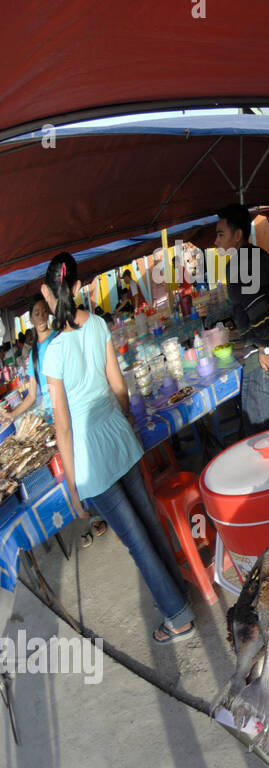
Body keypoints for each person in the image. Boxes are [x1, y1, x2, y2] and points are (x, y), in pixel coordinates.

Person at [40, 253, 193, 644]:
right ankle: (179, 595)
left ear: (47, 292)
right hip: (119, 439)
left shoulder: (53, 351)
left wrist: (72, 489)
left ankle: (177, 617)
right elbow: (119, 386)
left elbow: (62, 424)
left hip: (92, 457)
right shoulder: (96, 325)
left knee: (135, 540)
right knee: (148, 524)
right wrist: (124, 417)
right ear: (76, 288)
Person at [216, 203, 269, 435]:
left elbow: (257, 306)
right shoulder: (260, 255)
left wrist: (264, 347)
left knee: (257, 433)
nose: (216, 241)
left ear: (238, 235)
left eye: (221, 234)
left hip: (266, 360)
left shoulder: (238, 264)